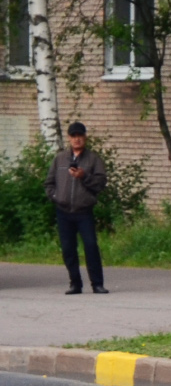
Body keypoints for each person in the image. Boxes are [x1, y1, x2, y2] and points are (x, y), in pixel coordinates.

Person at [45, 121, 108, 295]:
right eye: (73, 136)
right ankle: (75, 284)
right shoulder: (60, 159)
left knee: (90, 246)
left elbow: (100, 184)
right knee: (68, 248)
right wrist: (55, 197)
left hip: (84, 211)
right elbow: (49, 182)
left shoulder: (93, 159)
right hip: (64, 211)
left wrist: (83, 176)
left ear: (85, 137)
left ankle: (97, 284)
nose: (77, 139)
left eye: (80, 136)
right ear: (69, 138)